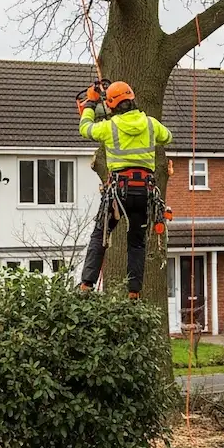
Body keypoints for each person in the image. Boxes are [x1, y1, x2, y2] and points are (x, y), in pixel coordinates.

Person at [76, 80, 172, 298]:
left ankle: (86, 285)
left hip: (118, 190)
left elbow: (85, 129)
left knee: (101, 234)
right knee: (136, 242)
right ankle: (134, 292)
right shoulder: (150, 124)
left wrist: (90, 105)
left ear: (111, 105)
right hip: (144, 191)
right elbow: (168, 136)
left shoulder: (110, 127)